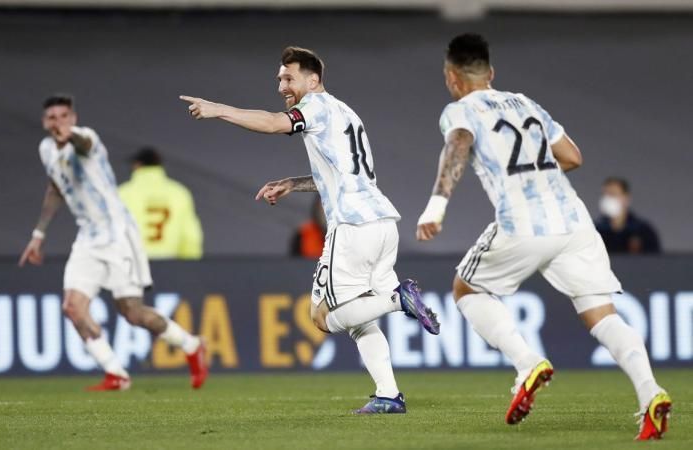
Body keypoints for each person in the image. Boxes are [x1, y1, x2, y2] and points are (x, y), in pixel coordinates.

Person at [415, 34, 670, 440]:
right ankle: (650, 393)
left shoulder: (460, 109)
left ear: (452, 77)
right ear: (491, 73)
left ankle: (527, 361)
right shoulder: (527, 103)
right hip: (573, 220)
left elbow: (459, 142)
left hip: (522, 221)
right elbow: (572, 156)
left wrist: (437, 204)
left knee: (466, 290)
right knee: (601, 315)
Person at [180, 46, 440, 414]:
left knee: (321, 316)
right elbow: (341, 174)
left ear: (313, 79)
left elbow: (273, 123)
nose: (282, 85)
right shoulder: (346, 113)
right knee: (360, 319)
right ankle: (389, 395)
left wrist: (217, 109)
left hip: (351, 226)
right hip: (383, 223)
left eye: (289, 78)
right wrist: (293, 182)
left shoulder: (314, 107)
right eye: (280, 79)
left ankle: (401, 299)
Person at [19, 94, 208, 391]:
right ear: (45, 122)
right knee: (72, 306)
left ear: (74, 118)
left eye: (64, 116)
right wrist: (38, 234)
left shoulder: (86, 138)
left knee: (133, 313)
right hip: (87, 237)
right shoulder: (46, 149)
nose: (59, 123)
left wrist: (73, 136)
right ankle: (116, 373)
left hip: (118, 234)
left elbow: (84, 144)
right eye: (52, 118)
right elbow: (56, 185)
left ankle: (192, 344)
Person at [119, 147, 204, 260]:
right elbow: (190, 237)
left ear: (137, 165)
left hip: (134, 267)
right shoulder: (179, 192)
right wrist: (191, 267)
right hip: (170, 266)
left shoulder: (122, 193)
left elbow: (111, 233)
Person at [595, 177, 661, 254]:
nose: (608, 199)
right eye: (605, 195)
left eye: (612, 194)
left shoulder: (644, 231)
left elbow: (655, 261)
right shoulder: (596, 231)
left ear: (626, 198)